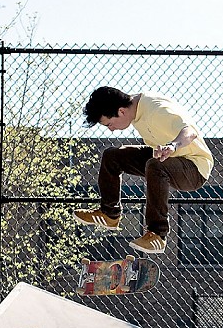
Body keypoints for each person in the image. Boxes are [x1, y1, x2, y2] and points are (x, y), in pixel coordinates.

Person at [76, 86, 214, 254]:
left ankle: (157, 233)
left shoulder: (157, 110)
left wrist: (172, 146)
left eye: (109, 124)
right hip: (168, 160)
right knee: (112, 156)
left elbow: (190, 132)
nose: (111, 129)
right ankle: (109, 214)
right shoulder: (134, 110)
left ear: (121, 111)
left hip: (194, 167)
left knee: (154, 166)